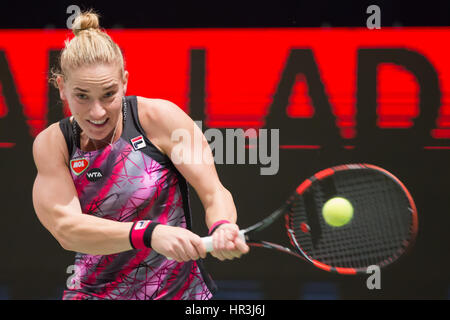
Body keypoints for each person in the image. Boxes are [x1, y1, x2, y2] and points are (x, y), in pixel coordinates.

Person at [31, 10, 249, 300]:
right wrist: (149, 234)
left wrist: (222, 226)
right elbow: (67, 229)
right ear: (62, 88)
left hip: (181, 295)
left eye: (109, 94)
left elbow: (214, 193)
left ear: (124, 82)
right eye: (82, 96)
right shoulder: (54, 144)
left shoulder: (159, 119)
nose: (97, 112)